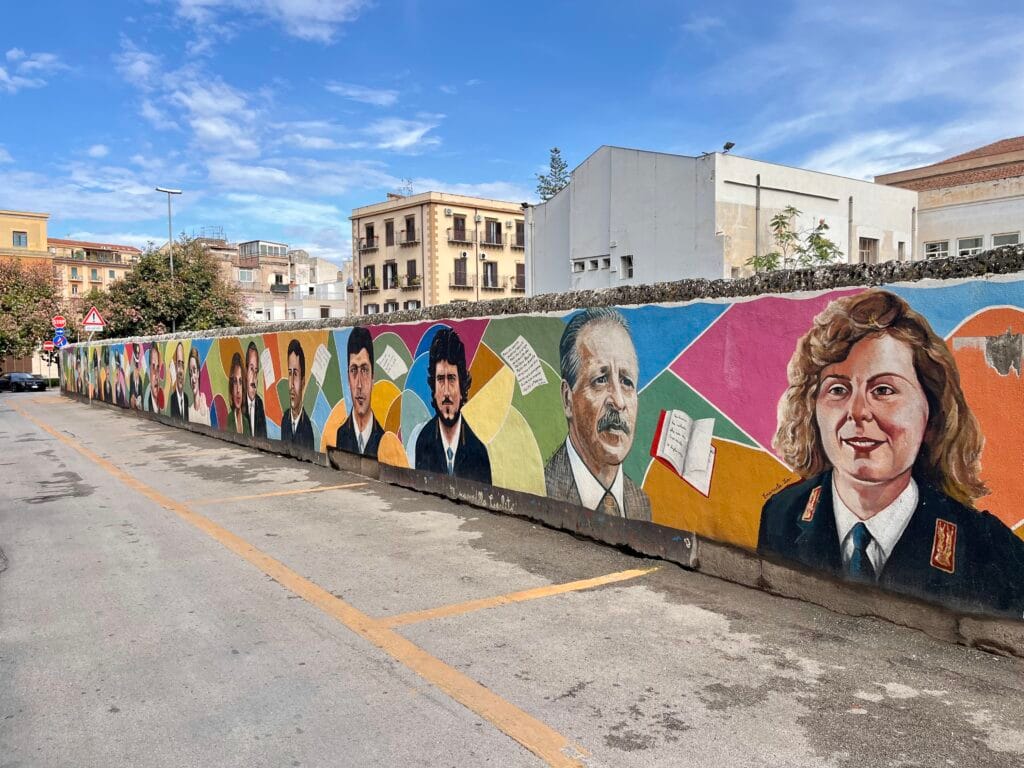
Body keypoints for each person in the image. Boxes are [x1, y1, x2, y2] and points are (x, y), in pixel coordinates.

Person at [758, 289, 1024, 617]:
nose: (857, 412)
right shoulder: (782, 515)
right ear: (813, 410)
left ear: (932, 414)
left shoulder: (988, 549)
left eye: (883, 390)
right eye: (838, 389)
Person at [544, 307, 652, 521]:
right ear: (567, 398)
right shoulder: (542, 486)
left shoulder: (641, 503)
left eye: (627, 382)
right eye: (600, 380)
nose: (619, 402)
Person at [414, 327, 491, 483]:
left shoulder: (478, 452)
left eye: (452, 379)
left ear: (462, 386)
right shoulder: (423, 441)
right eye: (441, 379)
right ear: (433, 387)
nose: (447, 392)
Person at [334, 327, 384, 458]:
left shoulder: (383, 439)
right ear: (348, 378)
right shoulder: (339, 435)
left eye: (365, 370)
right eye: (354, 370)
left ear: (373, 376)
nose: (359, 384)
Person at [280, 338, 314, 450]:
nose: (291, 384)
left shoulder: (308, 427)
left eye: (295, 374)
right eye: (290, 374)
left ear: (303, 381)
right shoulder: (285, 420)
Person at [245, 342, 267, 439]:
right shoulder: (240, 402)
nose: (254, 376)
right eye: (251, 369)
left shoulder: (259, 403)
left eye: (256, 371)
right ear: (245, 371)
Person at [187, 347, 211, 426]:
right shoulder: (189, 411)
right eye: (190, 373)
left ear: (198, 372)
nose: (192, 377)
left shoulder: (205, 407)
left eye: (194, 370)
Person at [227, 352, 248, 435]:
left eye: (240, 382)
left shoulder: (246, 422)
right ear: (231, 387)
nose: (238, 390)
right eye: (235, 382)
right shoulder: (229, 419)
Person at [169, 342, 189, 421]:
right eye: (178, 364)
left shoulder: (186, 398)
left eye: (182, 365)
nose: (180, 371)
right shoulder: (172, 399)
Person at [143, 344, 163, 413]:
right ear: (149, 371)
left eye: (158, 368)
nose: (157, 377)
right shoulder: (145, 402)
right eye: (153, 368)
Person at [128, 343, 144, 410]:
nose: (137, 355)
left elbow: (141, 394)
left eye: (138, 353)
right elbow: (131, 394)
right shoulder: (131, 376)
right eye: (136, 353)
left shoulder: (140, 378)